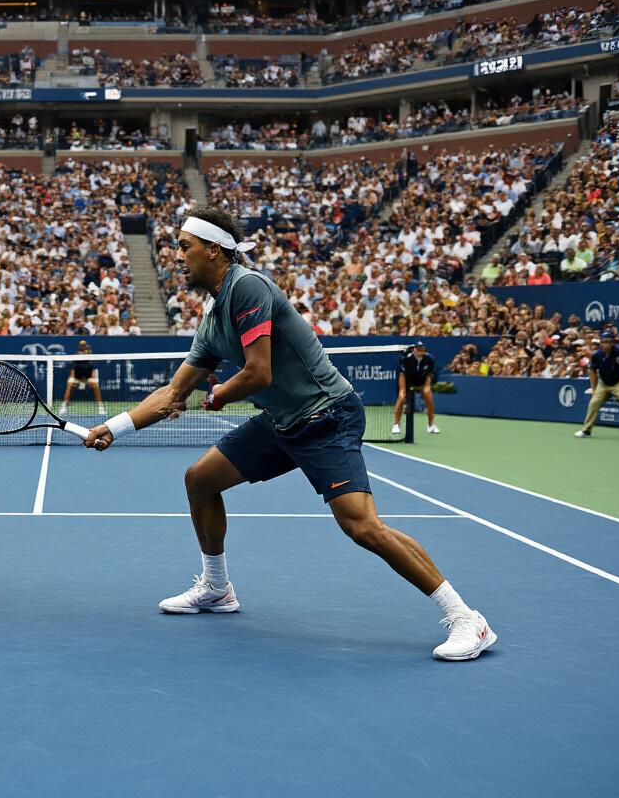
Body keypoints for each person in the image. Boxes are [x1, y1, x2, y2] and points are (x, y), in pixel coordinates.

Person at [83, 208, 496, 662]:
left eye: (185, 247)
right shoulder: (213, 317)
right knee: (200, 480)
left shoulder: (248, 286)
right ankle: (218, 589)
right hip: (280, 423)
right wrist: (114, 428)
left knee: (361, 526)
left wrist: (221, 393)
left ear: (214, 250)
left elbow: (259, 373)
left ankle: (466, 619)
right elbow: (173, 392)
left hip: (326, 417)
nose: (177, 256)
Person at [575, 333, 619, 441]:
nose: (606, 344)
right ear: (601, 343)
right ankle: (586, 430)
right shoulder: (596, 356)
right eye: (604, 342)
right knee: (594, 402)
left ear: (613, 343)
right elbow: (593, 374)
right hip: (603, 384)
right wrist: (594, 390)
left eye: (609, 341)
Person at [393, 340, 439, 435]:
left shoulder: (429, 359)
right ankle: (396, 424)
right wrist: (402, 391)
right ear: (414, 349)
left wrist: (427, 388)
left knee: (428, 394)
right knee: (401, 398)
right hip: (407, 381)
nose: (420, 351)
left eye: (422, 349)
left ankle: (431, 424)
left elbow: (429, 375)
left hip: (421, 381)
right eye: (418, 349)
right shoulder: (406, 358)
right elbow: (402, 375)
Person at [59, 339, 104, 415]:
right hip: (77, 377)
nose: (82, 346)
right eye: (81, 345)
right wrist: (71, 378)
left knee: (95, 385)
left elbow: (93, 369)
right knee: (70, 384)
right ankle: (64, 406)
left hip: (88, 377)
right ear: (79, 346)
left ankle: (101, 407)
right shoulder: (76, 356)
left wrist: (93, 379)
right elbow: (73, 369)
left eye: (84, 345)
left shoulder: (90, 356)